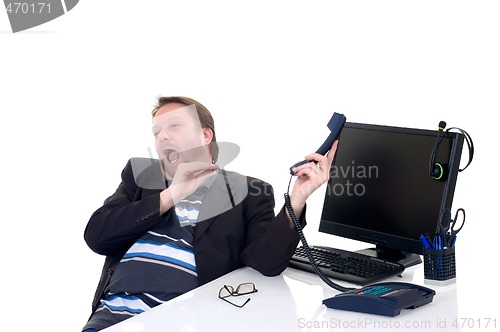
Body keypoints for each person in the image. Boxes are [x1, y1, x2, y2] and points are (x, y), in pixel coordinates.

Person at [82, 96, 338, 331]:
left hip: (182, 318)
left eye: (174, 126)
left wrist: (297, 200)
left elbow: (266, 264)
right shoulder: (141, 177)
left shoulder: (250, 192)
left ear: (205, 135)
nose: (162, 137)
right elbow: (97, 235)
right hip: (113, 316)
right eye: (156, 132)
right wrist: (173, 193)